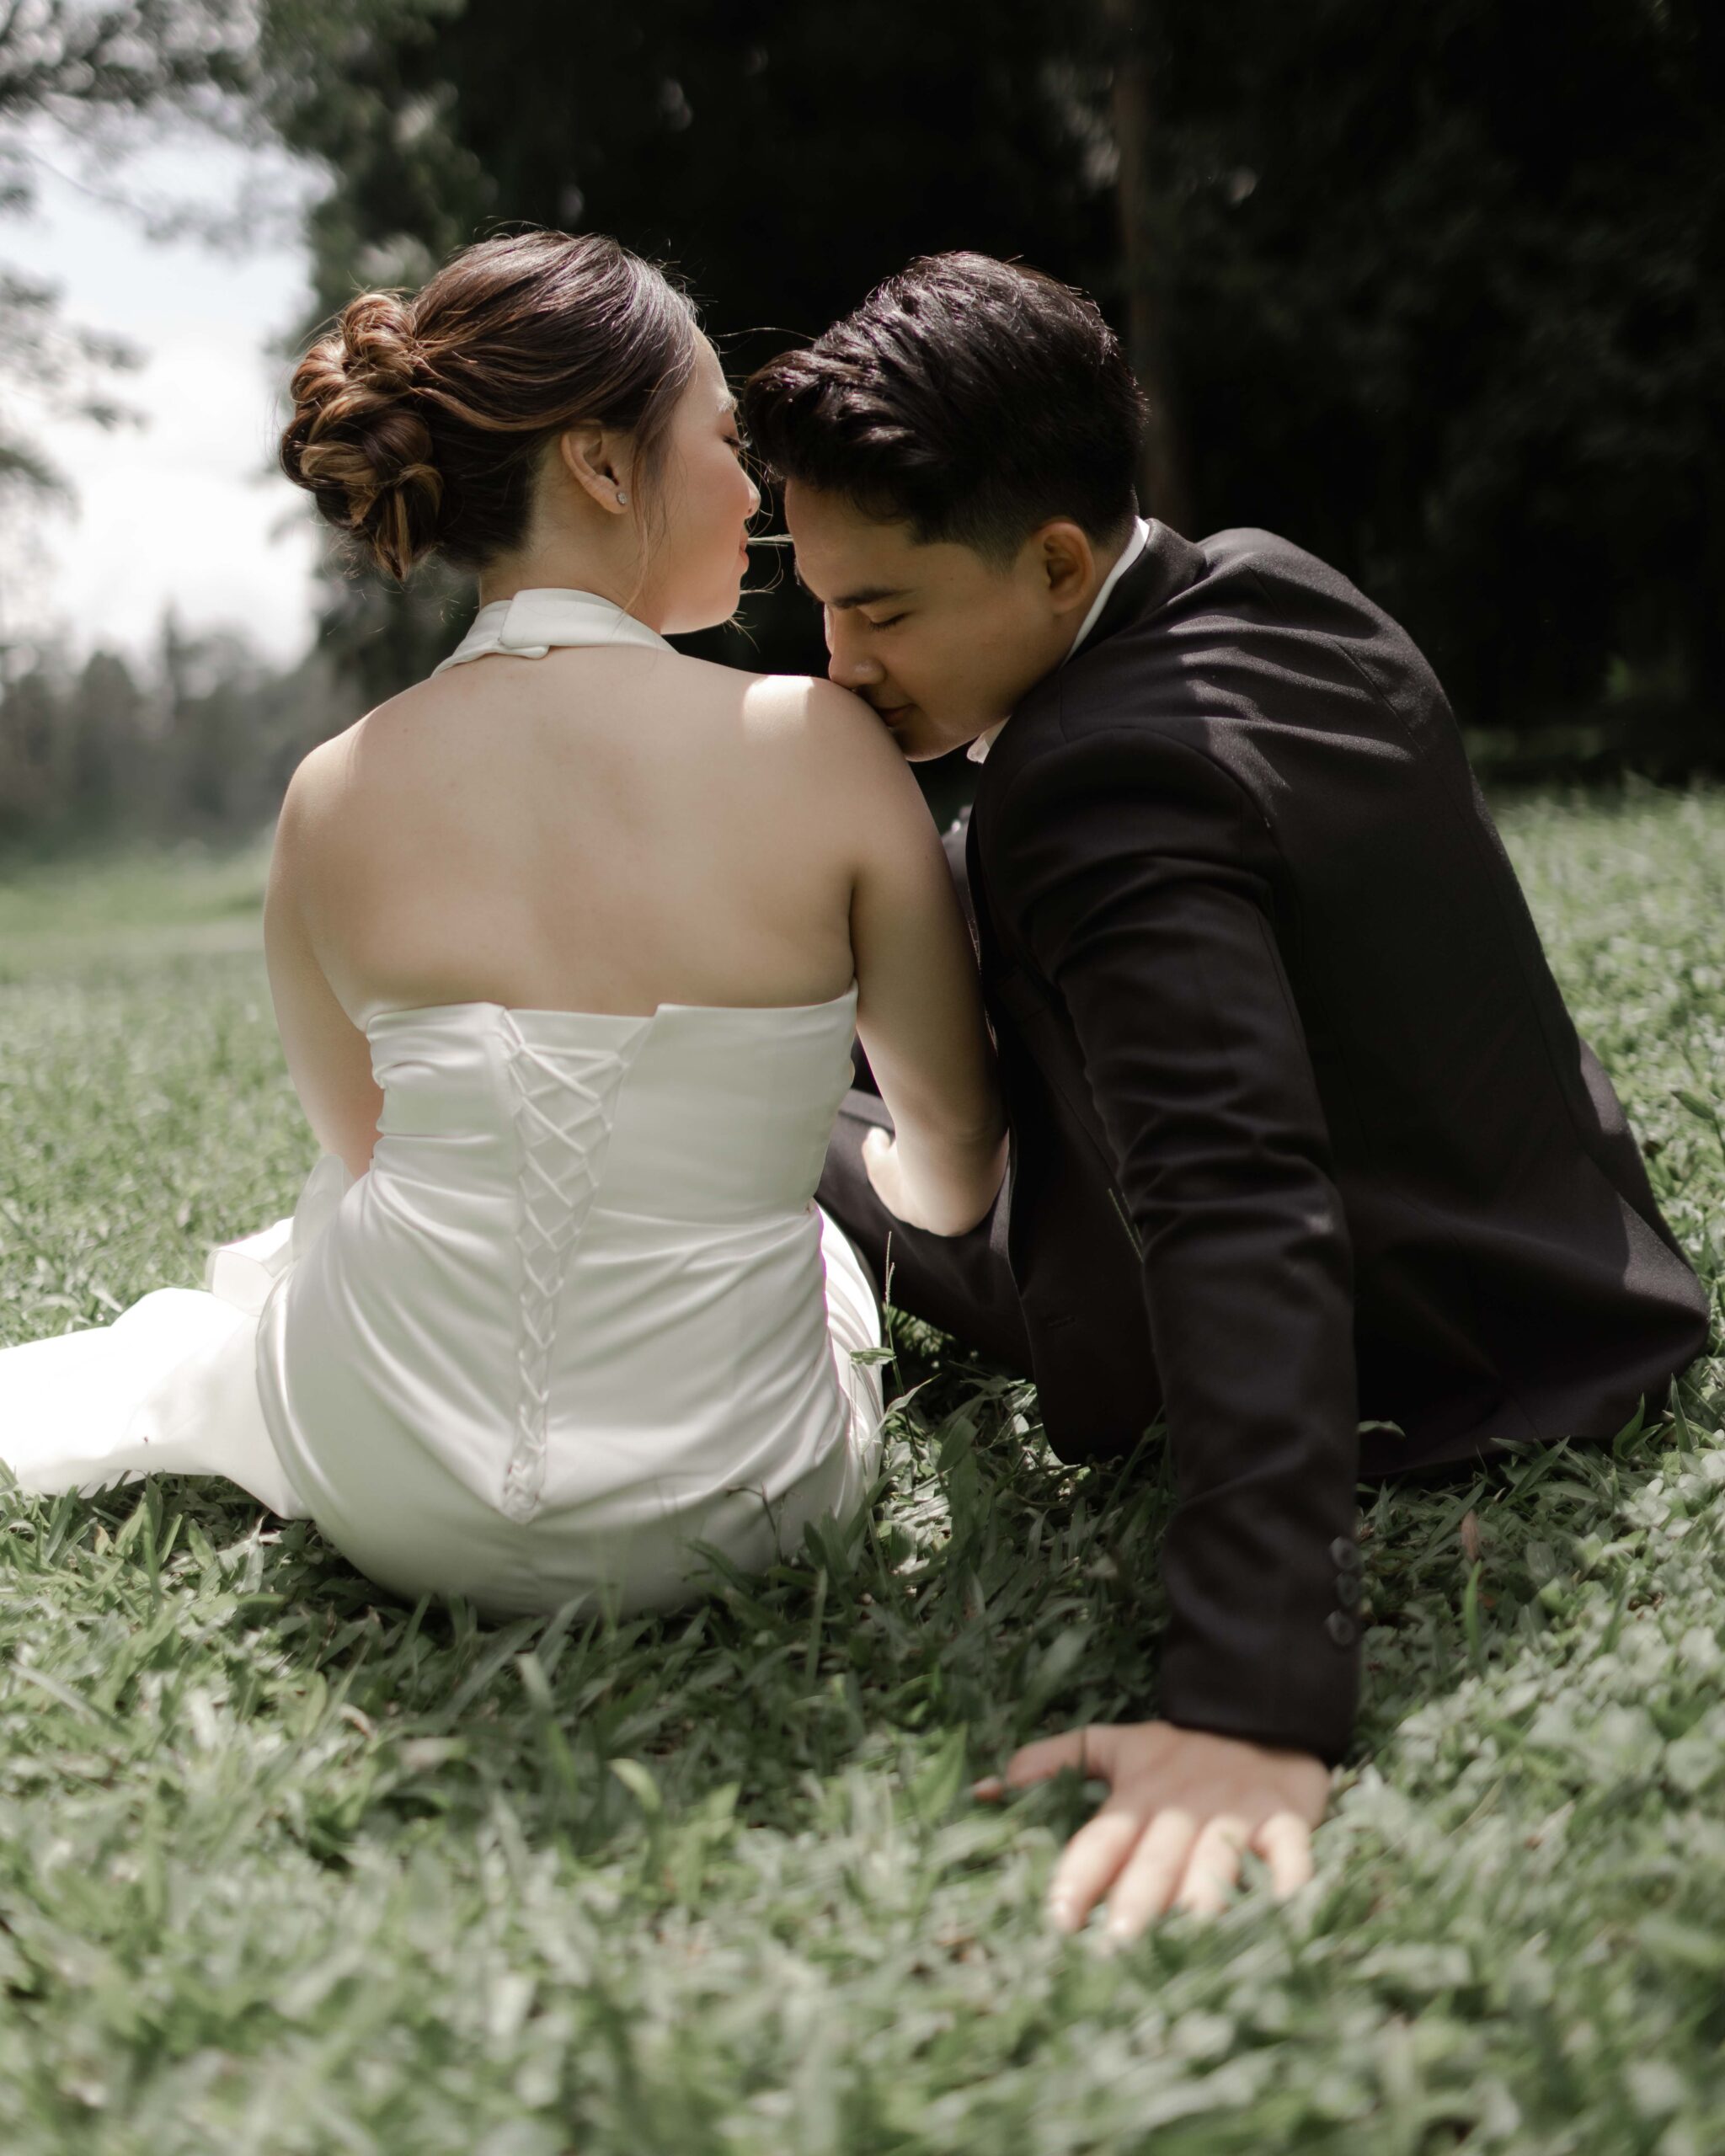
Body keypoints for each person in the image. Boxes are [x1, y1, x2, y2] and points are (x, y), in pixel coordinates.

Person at [741, 250, 1712, 1940]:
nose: (838, 663)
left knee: (788, 1122)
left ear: (1056, 561)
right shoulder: (1275, 589)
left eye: (881, 611)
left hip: (1410, 1360)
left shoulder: (1086, 789)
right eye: (822, 605)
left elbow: (1233, 1195)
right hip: (1561, 1270)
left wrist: (1252, 1699)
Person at [0, 230, 1007, 1624]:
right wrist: (851, 1186)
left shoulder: (331, 793)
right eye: (725, 440)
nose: (757, 490)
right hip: (754, 1499)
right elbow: (955, 1174)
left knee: (337, 1226)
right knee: (819, 1253)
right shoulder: (824, 748)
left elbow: (365, 1159)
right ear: (602, 464)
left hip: (394, 1491)